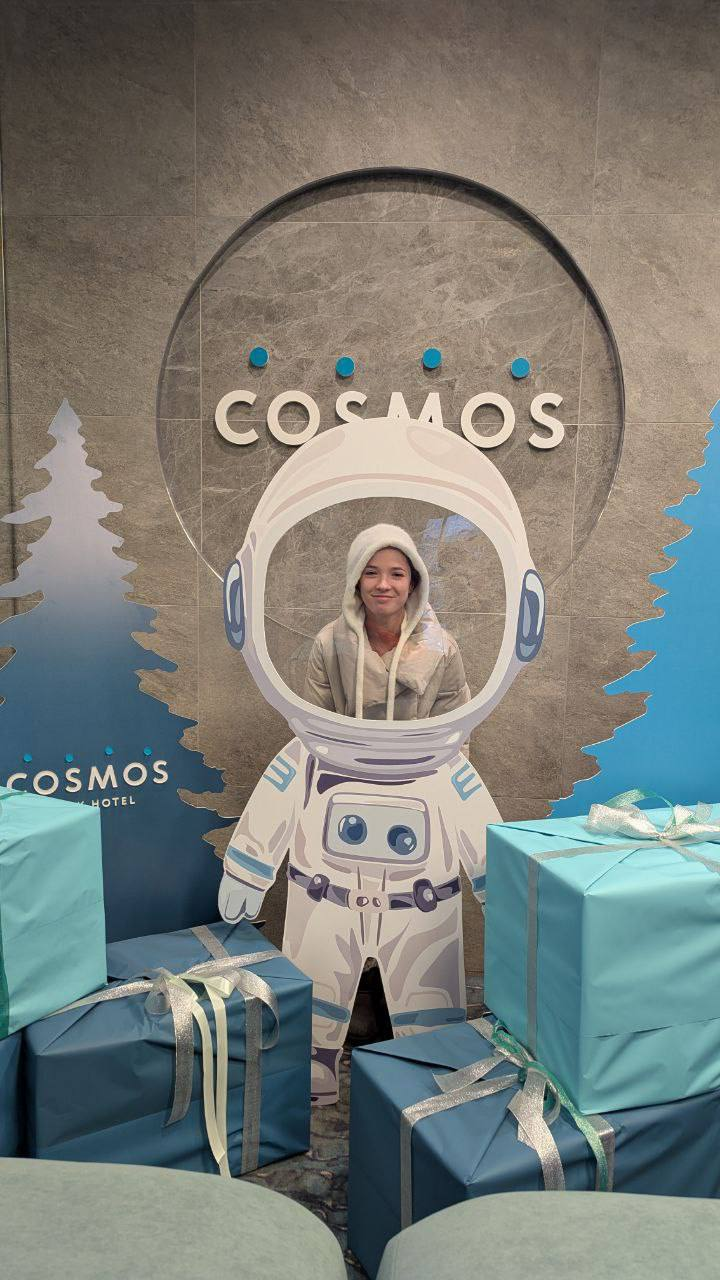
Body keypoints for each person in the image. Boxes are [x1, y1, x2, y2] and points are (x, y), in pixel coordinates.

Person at [303, 524, 470, 720]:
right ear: (356, 581)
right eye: (371, 573)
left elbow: (453, 729)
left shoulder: (444, 649)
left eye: (397, 574)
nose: (383, 585)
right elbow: (315, 724)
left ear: (412, 584)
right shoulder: (327, 644)